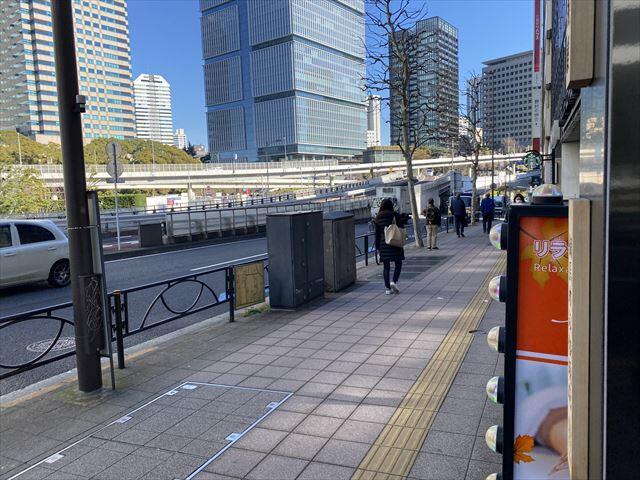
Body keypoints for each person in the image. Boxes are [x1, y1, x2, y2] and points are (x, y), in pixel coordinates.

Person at [374, 198, 407, 295]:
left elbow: (377, 234)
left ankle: (387, 288)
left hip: (383, 244)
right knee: (398, 264)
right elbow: (401, 227)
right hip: (395, 243)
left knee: (386, 267)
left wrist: (378, 247)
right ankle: (394, 281)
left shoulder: (378, 218)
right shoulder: (395, 215)